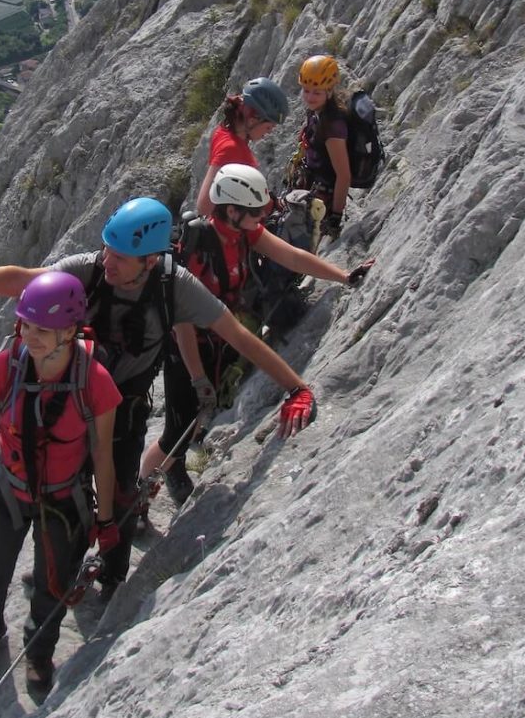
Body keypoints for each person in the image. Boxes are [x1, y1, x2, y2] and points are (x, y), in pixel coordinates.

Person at [0, 197, 317, 602]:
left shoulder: (175, 288)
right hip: (71, 402)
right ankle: (63, 574)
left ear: (149, 261)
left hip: (123, 408)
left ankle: (113, 576)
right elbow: (22, 279)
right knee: (67, 495)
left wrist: (296, 387)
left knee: (122, 496)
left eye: (120, 257)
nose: (107, 261)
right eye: (106, 249)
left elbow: (237, 335)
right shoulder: (90, 269)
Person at [141, 164, 374, 505]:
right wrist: (197, 377)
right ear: (232, 211)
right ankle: (138, 499)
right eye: (255, 213)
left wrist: (343, 276)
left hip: (219, 337)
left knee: (192, 421)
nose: (261, 219)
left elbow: (292, 256)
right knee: (175, 430)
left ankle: (173, 468)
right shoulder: (196, 251)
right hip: (185, 346)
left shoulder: (244, 233)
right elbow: (182, 323)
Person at [0, 271, 121, 688]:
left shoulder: (94, 382)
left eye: (43, 328)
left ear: (69, 330)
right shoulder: (4, 368)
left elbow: (102, 451)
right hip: (6, 490)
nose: (31, 335)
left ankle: (39, 651)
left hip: (63, 501)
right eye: (26, 324)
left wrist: (106, 516)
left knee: (52, 585)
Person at [196, 77, 289, 216]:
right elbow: (204, 206)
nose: (269, 132)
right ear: (253, 120)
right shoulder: (233, 149)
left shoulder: (223, 131)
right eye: (268, 127)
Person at [287, 54, 351, 239]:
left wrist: (335, 218)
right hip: (311, 185)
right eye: (306, 90)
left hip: (322, 198)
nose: (310, 97)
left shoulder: (333, 126)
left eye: (316, 92)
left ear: (329, 91)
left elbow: (344, 175)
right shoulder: (318, 112)